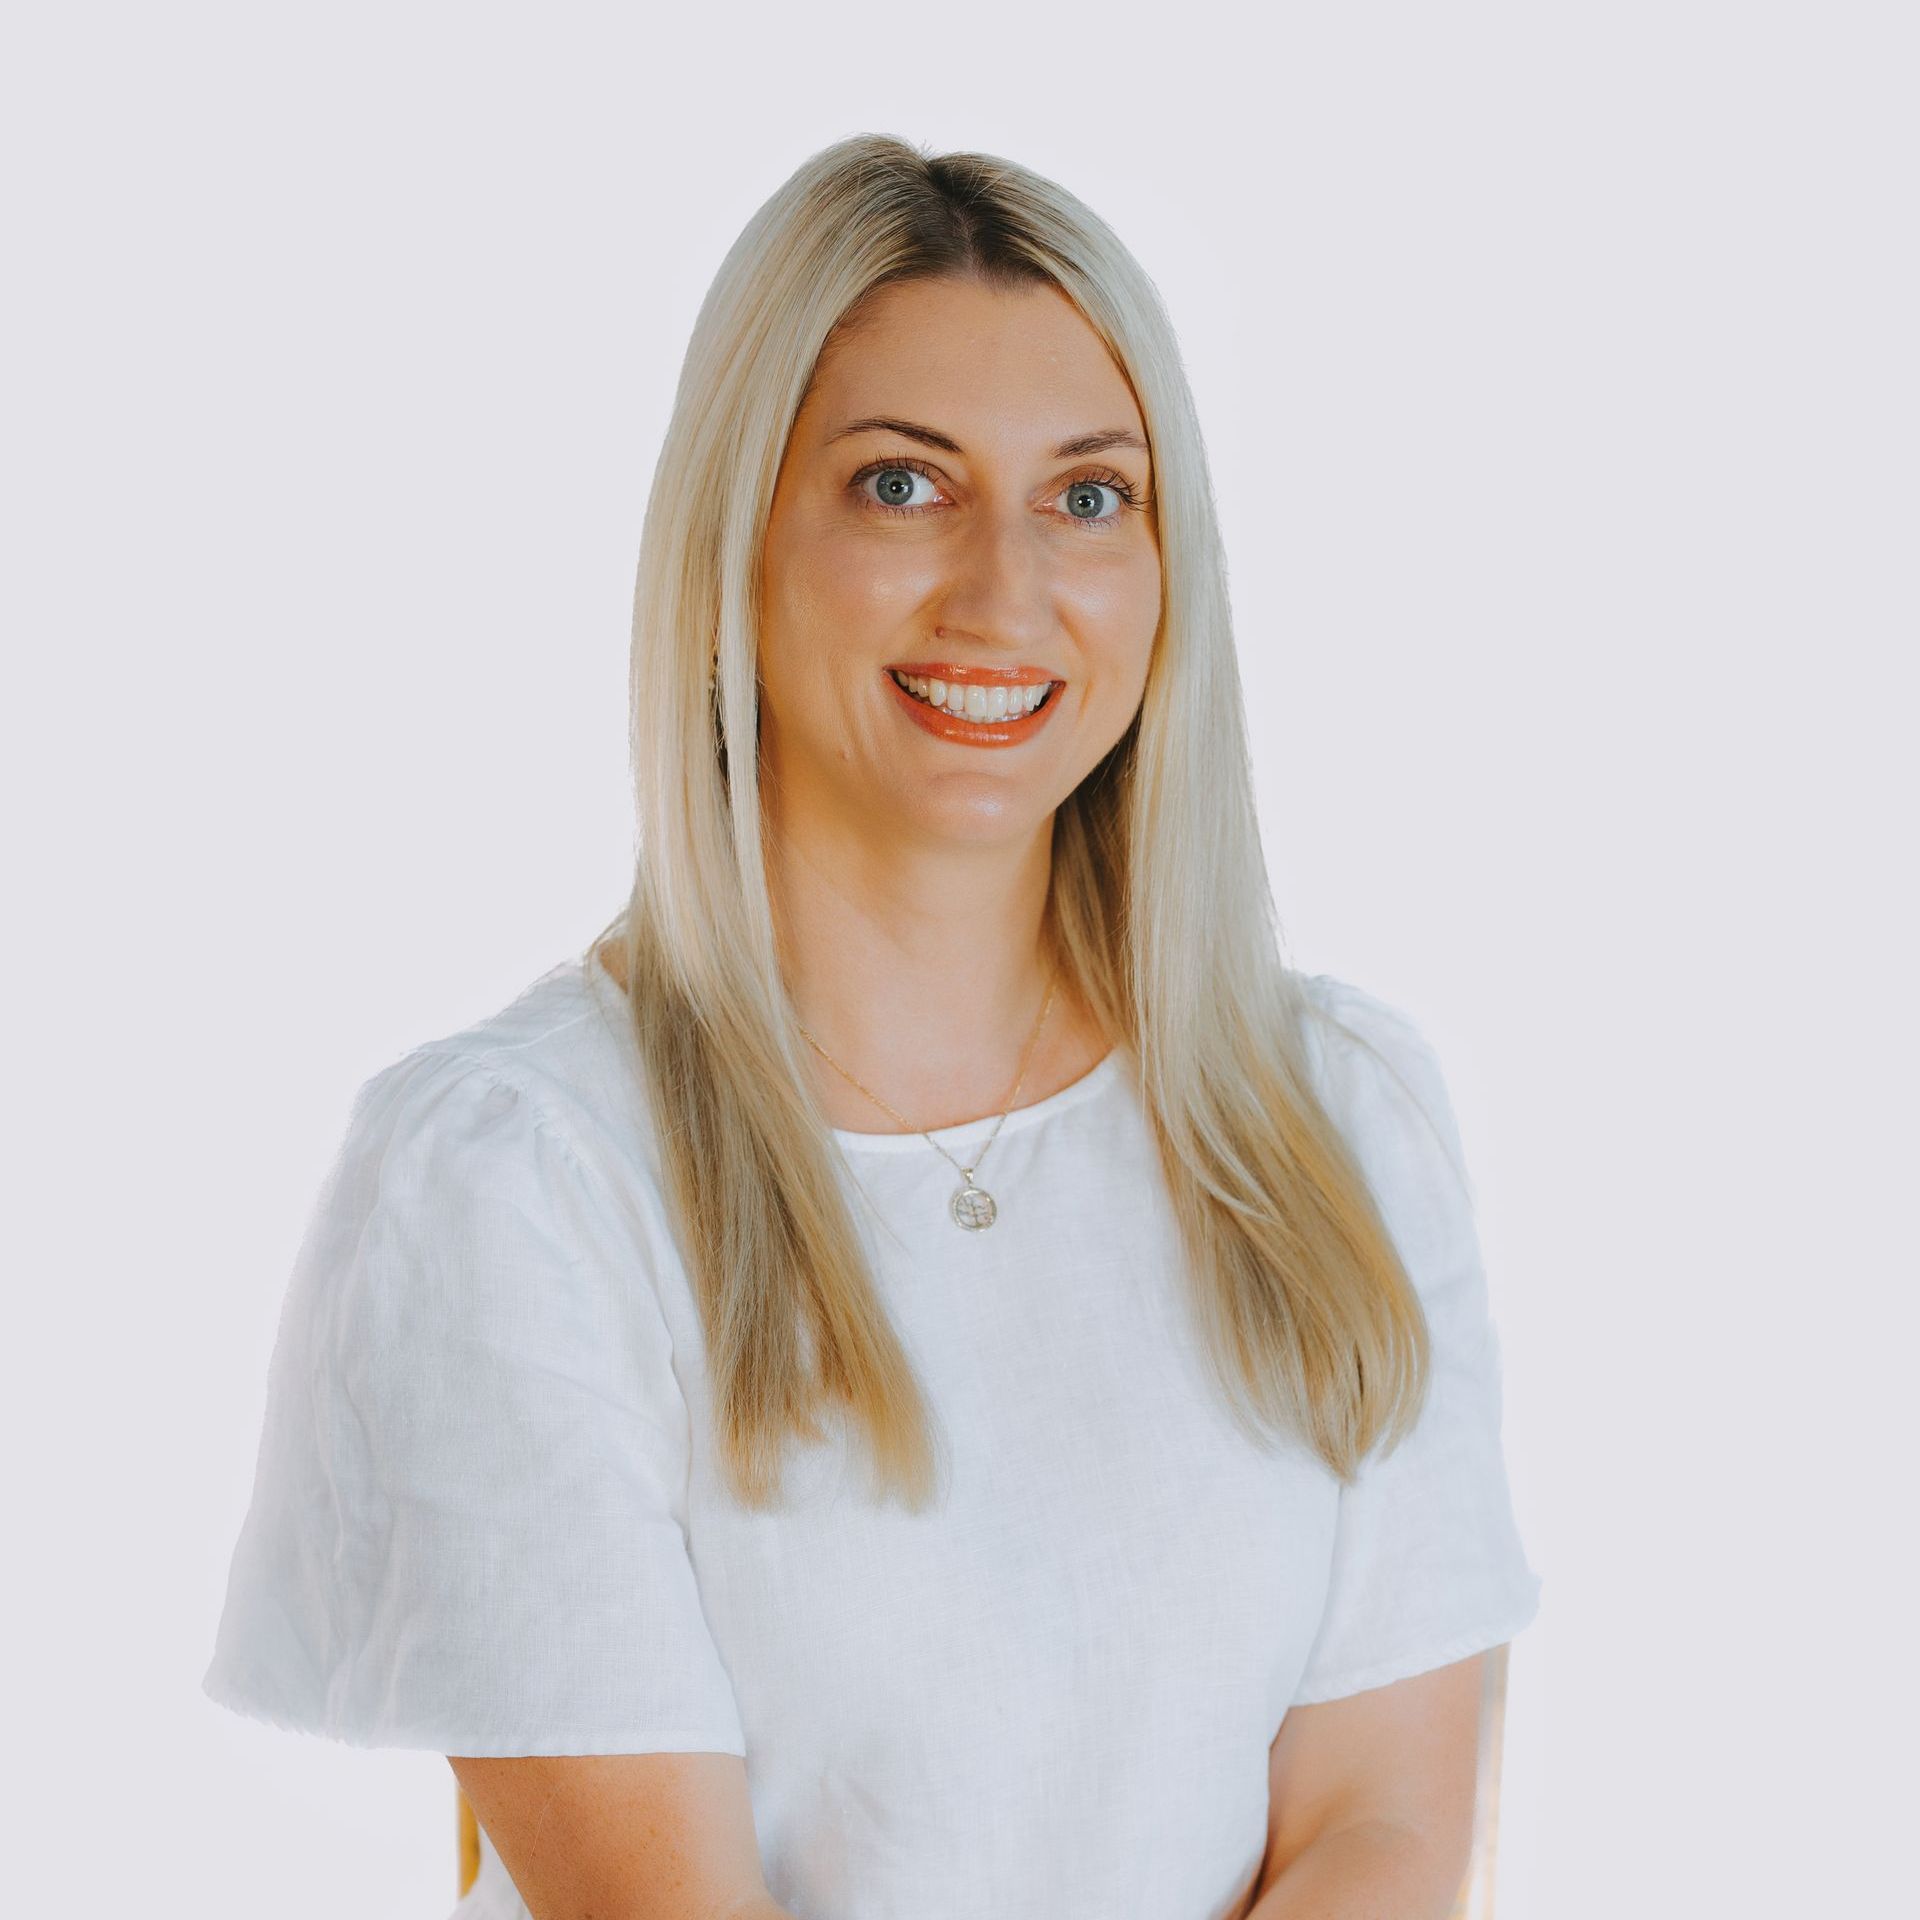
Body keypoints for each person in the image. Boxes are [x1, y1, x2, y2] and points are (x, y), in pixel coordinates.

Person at [202, 133, 1543, 1920]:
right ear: (733, 544)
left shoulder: (1338, 1123)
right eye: (903, 487)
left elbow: (1384, 1828)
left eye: (1089, 497)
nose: (1005, 595)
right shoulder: (513, 1183)